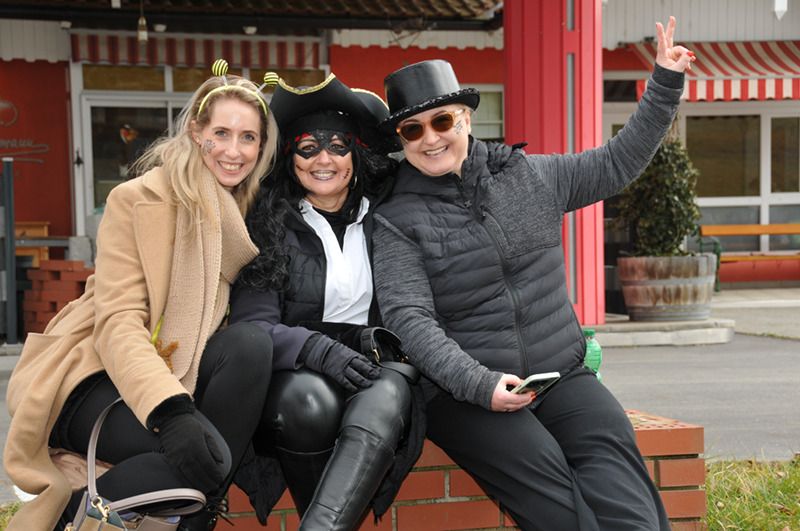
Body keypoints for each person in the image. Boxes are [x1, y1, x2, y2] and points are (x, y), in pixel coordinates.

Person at [372, 17, 694, 531]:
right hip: (464, 394)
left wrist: (664, 82)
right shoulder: (395, 219)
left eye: (442, 121)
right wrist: (480, 384)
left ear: (465, 119)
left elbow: (617, 163)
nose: (430, 139)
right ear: (401, 140)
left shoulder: (529, 176)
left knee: (621, 484)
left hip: (560, 374)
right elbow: (409, 320)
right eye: (413, 129)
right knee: (555, 499)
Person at [3, 59, 279, 531]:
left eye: (248, 137)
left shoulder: (243, 217)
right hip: (95, 376)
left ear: (261, 146)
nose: (233, 151)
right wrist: (171, 411)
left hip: (174, 372)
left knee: (250, 345)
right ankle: (82, 517)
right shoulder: (137, 200)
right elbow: (118, 323)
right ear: (196, 132)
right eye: (221, 133)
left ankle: (118, 511)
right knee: (208, 458)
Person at [228, 73, 424, 530]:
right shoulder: (269, 224)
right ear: (290, 157)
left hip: (376, 365)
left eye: (338, 146)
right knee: (308, 402)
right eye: (308, 147)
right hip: (296, 374)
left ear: (356, 154)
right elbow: (252, 327)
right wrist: (316, 349)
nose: (324, 159)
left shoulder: (387, 217)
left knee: (389, 388)